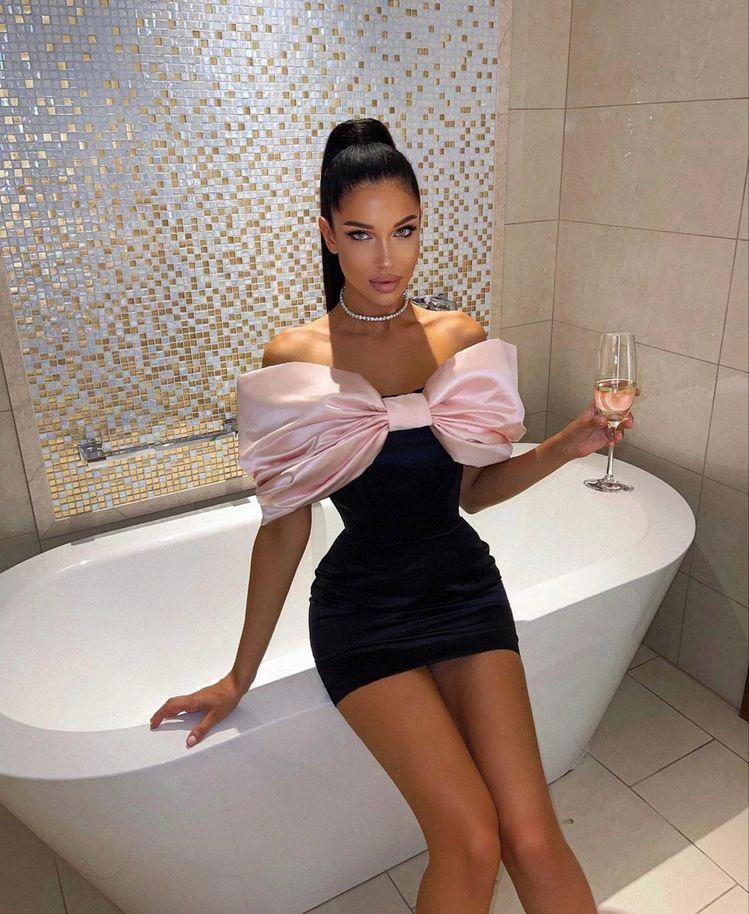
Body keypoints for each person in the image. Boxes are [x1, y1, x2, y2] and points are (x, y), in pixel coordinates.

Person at [151, 117, 637, 913]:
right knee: (470, 839)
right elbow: (285, 525)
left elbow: (472, 492)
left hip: (463, 590)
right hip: (362, 612)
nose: (387, 259)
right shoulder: (295, 357)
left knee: (531, 834)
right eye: (361, 234)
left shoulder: (459, 337)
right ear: (327, 235)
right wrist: (239, 675)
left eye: (403, 231)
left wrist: (568, 444)